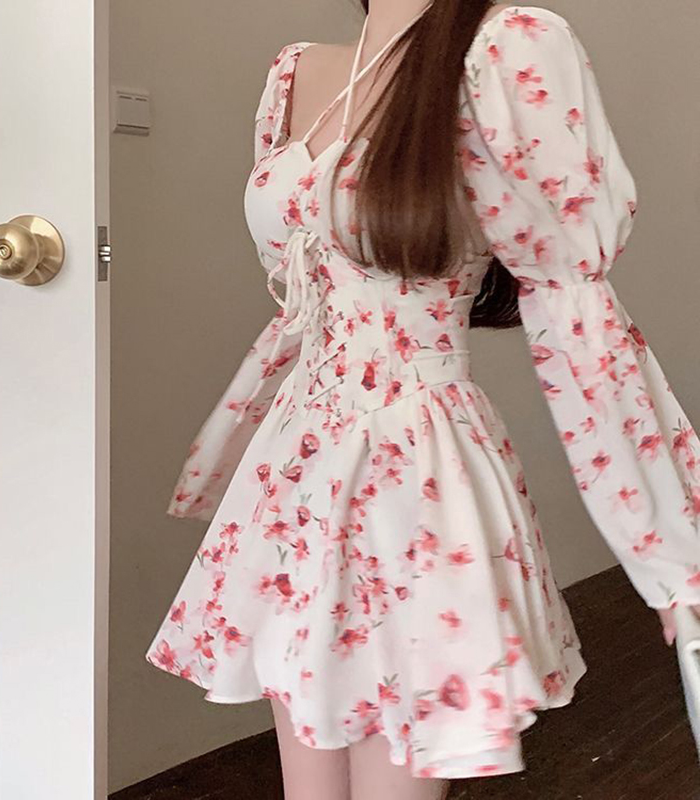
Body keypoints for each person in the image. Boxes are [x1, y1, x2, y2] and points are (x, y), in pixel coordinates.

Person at [147, 2, 700, 798]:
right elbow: (304, 295)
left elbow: (576, 309)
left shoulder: (506, 48)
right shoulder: (295, 72)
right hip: (297, 463)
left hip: (414, 466)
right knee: (306, 751)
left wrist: (672, 553)